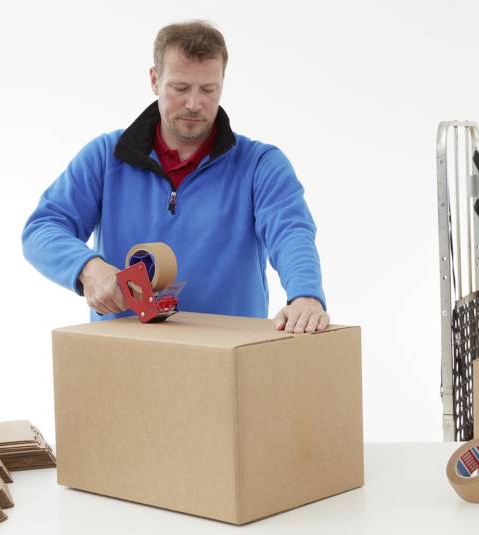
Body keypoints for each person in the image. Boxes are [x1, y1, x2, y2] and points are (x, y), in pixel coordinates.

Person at [22, 20, 329, 333]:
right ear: (155, 80)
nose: (194, 104)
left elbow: (291, 230)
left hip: (227, 358)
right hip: (122, 357)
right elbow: (42, 228)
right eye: (180, 88)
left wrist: (305, 295)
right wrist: (88, 268)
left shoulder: (261, 165)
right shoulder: (105, 157)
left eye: (208, 90)